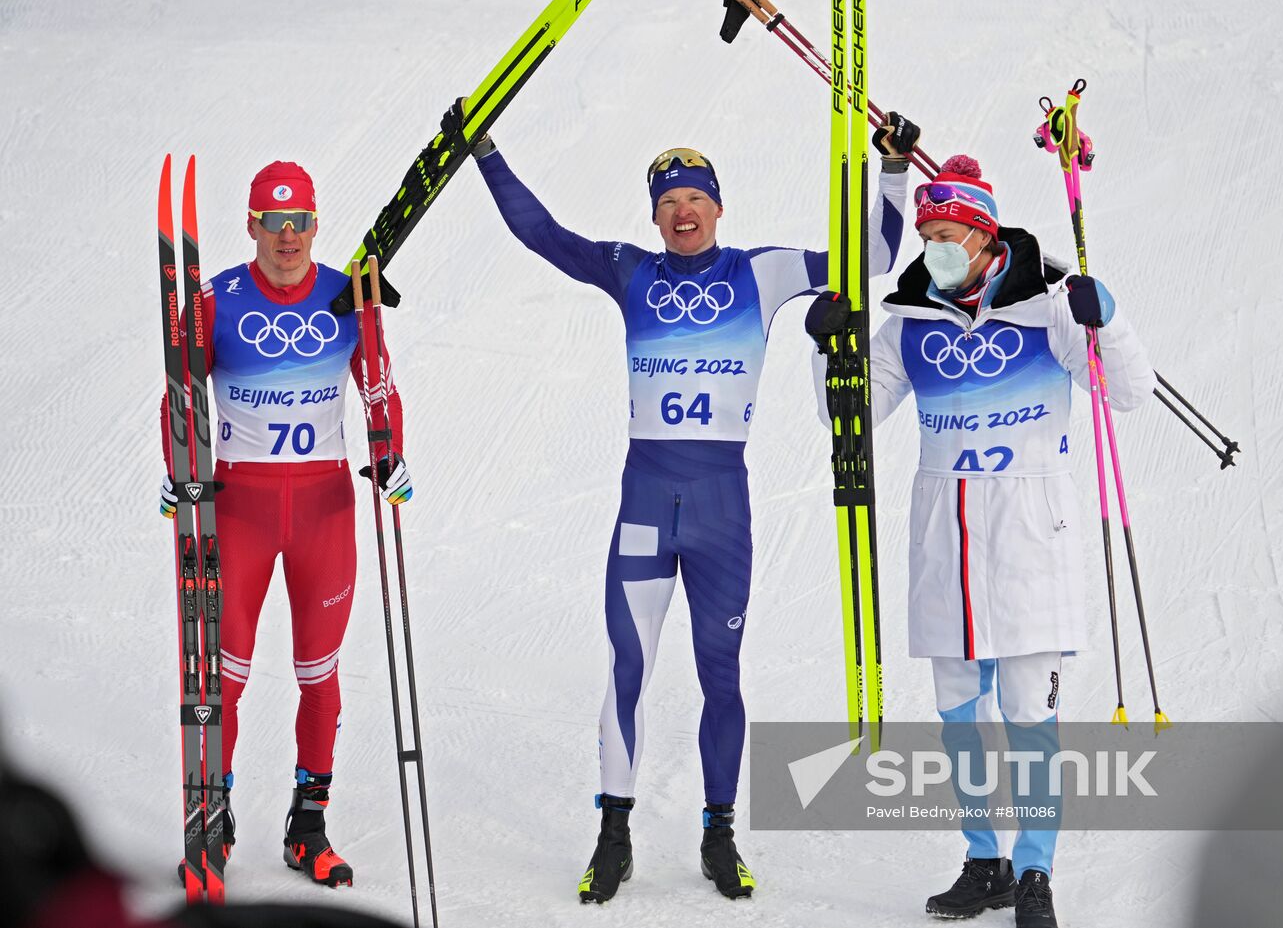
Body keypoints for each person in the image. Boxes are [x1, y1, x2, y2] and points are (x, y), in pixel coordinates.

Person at [469, 115, 916, 902]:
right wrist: (485, 153)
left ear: (718, 207)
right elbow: (542, 233)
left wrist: (891, 171)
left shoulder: (763, 271)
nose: (683, 211)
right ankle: (614, 835)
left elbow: (873, 257)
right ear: (653, 214)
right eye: (668, 199)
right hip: (646, 498)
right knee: (627, 669)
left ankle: (718, 833)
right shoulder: (628, 269)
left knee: (722, 674)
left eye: (695, 198)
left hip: (721, 508)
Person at [808, 154, 1154, 927]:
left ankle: (1034, 871)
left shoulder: (1051, 306)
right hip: (947, 541)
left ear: (984, 232)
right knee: (959, 713)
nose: (933, 244)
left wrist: (1112, 318)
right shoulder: (909, 324)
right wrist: (831, 353)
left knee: (1030, 711)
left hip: (1032, 537)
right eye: (925, 232)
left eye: (946, 230)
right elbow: (850, 420)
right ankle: (984, 859)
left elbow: (1127, 392)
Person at [158, 162, 412, 888]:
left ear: (313, 223)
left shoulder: (346, 293)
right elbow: (180, 391)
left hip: (324, 508)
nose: (289, 237)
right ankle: (214, 816)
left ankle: (308, 826)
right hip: (238, 509)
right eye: (275, 224)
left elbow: (378, 378)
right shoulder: (214, 301)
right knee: (222, 675)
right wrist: (180, 470)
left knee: (319, 673)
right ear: (252, 227)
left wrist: (388, 451)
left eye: (300, 221)